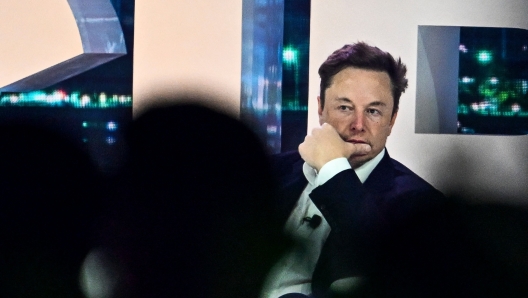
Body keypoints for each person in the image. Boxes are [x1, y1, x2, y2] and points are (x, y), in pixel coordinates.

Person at [261, 42, 445, 298]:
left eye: (373, 111)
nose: (358, 125)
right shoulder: (270, 172)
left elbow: (385, 269)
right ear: (320, 109)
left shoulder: (421, 205)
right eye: (345, 107)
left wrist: (333, 171)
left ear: (392, 120)